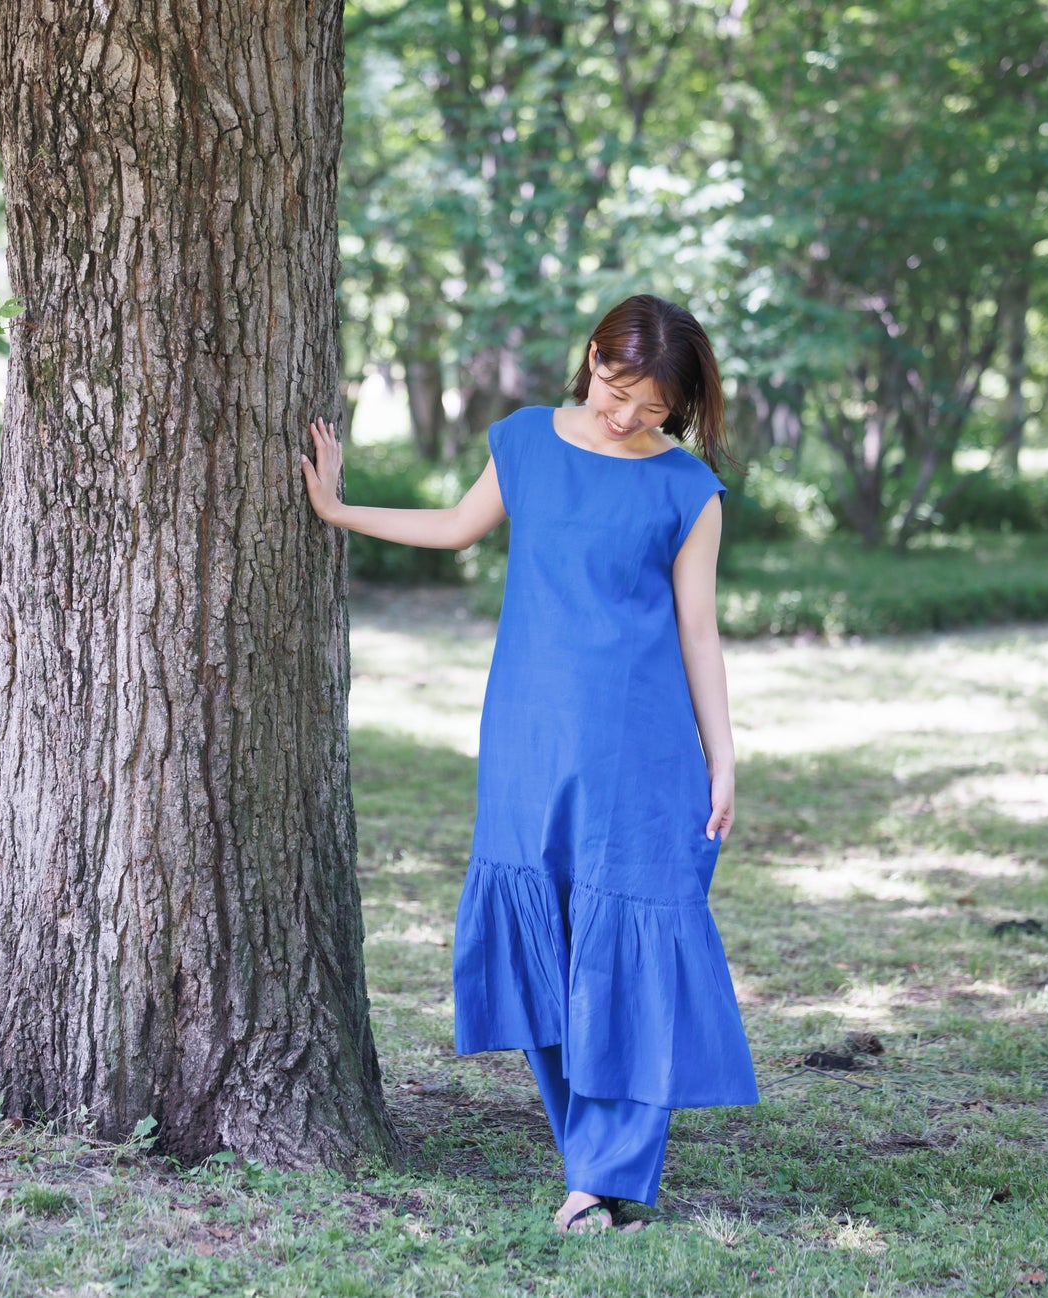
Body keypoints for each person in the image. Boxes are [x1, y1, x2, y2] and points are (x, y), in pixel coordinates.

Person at [299, 294, 760, 1234]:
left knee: (629, 945)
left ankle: (608, 1175)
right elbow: (454, 526)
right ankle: (588, 1159)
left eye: (653, 407)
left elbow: (699, 633)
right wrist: (335, 508)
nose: (626, 415)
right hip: (529, 732)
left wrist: (724, 757)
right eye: (616, 387)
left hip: (642, 746)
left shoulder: (688, 490)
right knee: (544, 942)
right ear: (592, 356)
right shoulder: (524, 440)